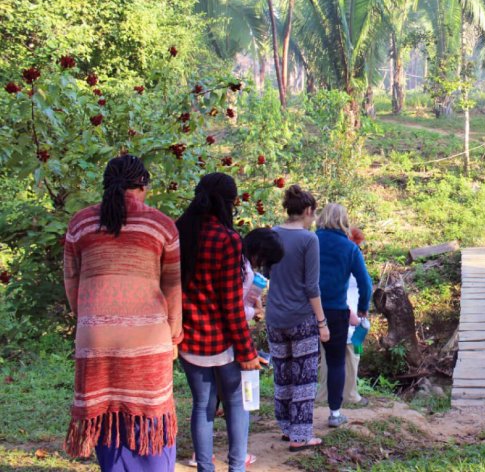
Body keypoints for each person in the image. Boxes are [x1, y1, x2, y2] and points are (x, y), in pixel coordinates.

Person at [63, 155, 181, 471]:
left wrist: (89, 316)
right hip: (147, 339)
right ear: (142, 186)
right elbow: (172, 287)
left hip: (96, 340)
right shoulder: (161, 224)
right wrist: (174, 335)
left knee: (106, 415)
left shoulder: (80, 223)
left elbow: (72, 282)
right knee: (150, 415)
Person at [177, 173, 262, 472]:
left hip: (188, 339)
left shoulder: (180, 231)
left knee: (202, 406)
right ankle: (236, 467)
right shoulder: (227, 239)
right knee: (236, 403)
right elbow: (230, 304)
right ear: (229, 203)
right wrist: (247, 352)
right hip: (222, 343)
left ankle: (205, 468)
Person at [266, 185, 328, 450]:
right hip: (301, 318)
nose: (313, 218)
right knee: (303, 377)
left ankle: (286, 426)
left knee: (282, 374)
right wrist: (322, 322)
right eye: (313, 213)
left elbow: (268, 272)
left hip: (274, 316)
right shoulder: (308, 239)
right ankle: (301, 436)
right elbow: (311, 286)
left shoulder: (272, 235)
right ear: (306, 211)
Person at [315, 204, 373, 428]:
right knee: (336, 361)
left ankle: (294, 415)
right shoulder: (349, 248)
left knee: (306, 360)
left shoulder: (311, 241)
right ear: (343, 221)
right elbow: (365, 283)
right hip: (337, 311)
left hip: (306, 310)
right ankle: (335, 413)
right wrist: (362, 308)